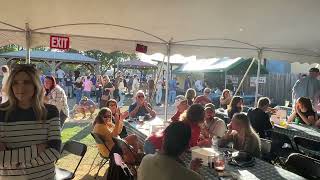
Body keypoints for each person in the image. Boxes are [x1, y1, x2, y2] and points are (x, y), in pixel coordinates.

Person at [0, 64, 61, 179]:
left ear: (35, 85)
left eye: (27, 82)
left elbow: (54, 152)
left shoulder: (50, 112)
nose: (20, 88)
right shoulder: (1, 113)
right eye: (15, 83)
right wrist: (37, 150)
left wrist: (13, 161)